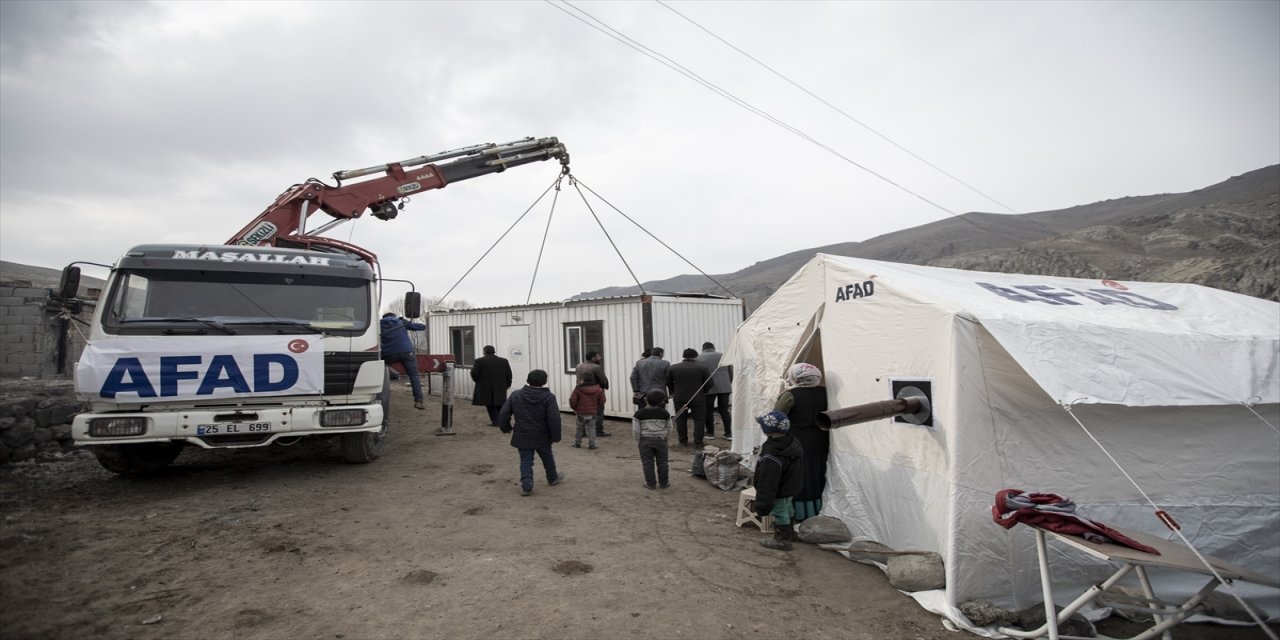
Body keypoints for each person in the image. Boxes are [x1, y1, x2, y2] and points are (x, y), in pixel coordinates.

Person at [774, 362, 829, 522]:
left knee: (798, 476)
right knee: (816, 473)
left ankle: (797, 513)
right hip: (820, 439)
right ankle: (815, 509)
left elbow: (777, 416)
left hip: (796, 442)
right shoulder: (825, 392)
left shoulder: (791, 395)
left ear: (796, 377)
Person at [497, 369, 565, 497]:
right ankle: (552, 478)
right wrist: (556, 436)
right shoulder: (548, 397)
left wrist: (505, 427)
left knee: (526, 460)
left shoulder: (516, 395)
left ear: (527, 380)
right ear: (544, 381)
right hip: (542, 435)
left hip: (522, 434)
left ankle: (526, 486)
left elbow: (503, 413)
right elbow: (554, 418)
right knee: (547, 456)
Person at [752, 410, 804, 550]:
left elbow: (768, 482)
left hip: (780, 489)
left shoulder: (772, 456)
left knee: (780, 512)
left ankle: (781, 539)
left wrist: (762, 504)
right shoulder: (792, 443)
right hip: (790, 487)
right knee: (788, 508)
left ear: (768, 431)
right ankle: (790, 533)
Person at [665, 348, 711, 448]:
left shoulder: (674, 368)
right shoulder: (702, 368)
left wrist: (673, 391)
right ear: (696, 356)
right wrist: (703, 392)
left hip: (679, 397)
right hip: (698, 397)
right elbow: (710, 383)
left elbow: (667, 382)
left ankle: (682, 441)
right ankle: (698, 442)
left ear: (683, 356)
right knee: (699, 420)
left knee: (681, 419)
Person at [379, 312, 426, 410]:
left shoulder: (379, 324)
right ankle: (419, 400)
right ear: (394, 316)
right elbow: (421, 327)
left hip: (388, 353)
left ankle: (378, 397)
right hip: (406, 352)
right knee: (414, 376)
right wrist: (406, 321)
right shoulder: (401, 322)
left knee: (379, 371)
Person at [632, 388, 672, 490]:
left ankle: (650, 484)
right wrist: (666, 437)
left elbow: (636, 430)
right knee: (663, 462)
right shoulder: (665, 413)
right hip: (661, 440)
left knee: (647, 462)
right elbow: (670, 428)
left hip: (645, 441)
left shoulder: (639, 414)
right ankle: (664, 483)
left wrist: (638, 440)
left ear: (646, 399)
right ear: (662, 401)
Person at [696, 342, 733, 440]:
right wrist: (728, 382)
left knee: (709, 410)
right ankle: (729, 433)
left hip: (709, 387)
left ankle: (710, 433)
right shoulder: (723, 356)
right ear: (714, 348)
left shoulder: (698, 358)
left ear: (703, 349)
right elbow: (730, 371)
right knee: (724, 410)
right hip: (725, 386)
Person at [471, 345, 513, 426]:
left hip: (485, 386)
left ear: (484, 351)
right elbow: (509, 374)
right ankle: (502, 420)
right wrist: (508, 384)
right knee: (500, 403)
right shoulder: (503, 361)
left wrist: (479, 381)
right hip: (500, 386)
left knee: (489, 404)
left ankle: (495, 421)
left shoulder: (479, 361)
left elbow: (474, 373)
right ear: (494, 351)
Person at [575, 350, 612, 437]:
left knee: (582, 412)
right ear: (593, 358)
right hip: (595, 392)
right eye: (598, 356)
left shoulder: (578, 366)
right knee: (598, 412)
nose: (600, 358)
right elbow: (603, 382)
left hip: (581, 392)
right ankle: (598, 431)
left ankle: (582, 432)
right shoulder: (596, 367)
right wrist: (605, 386)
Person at [569, 371, 606, 450]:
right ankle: (592, 444)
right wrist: (597, 407)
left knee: (579, 428)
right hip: (592, 412)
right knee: (592, 428)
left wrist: (574, 408)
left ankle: (577, 443)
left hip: (580, 412)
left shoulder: (578, 389)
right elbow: (602, 400)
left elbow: (573, 400)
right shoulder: (598, 389)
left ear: (583, 380)